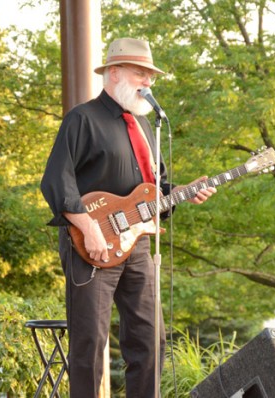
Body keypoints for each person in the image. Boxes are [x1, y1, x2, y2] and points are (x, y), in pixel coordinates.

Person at [40, 37, 216, 397]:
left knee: (150, 340)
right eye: (141, 74)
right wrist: (88, 228)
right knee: (89, 344)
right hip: (91, 246)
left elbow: (155, 190)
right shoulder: (82, 118)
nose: (148, 83)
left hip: (137, 247)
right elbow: (55, 180)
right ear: (115, 73)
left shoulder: (146, 128)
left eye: (151, 76)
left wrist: (184, 190)